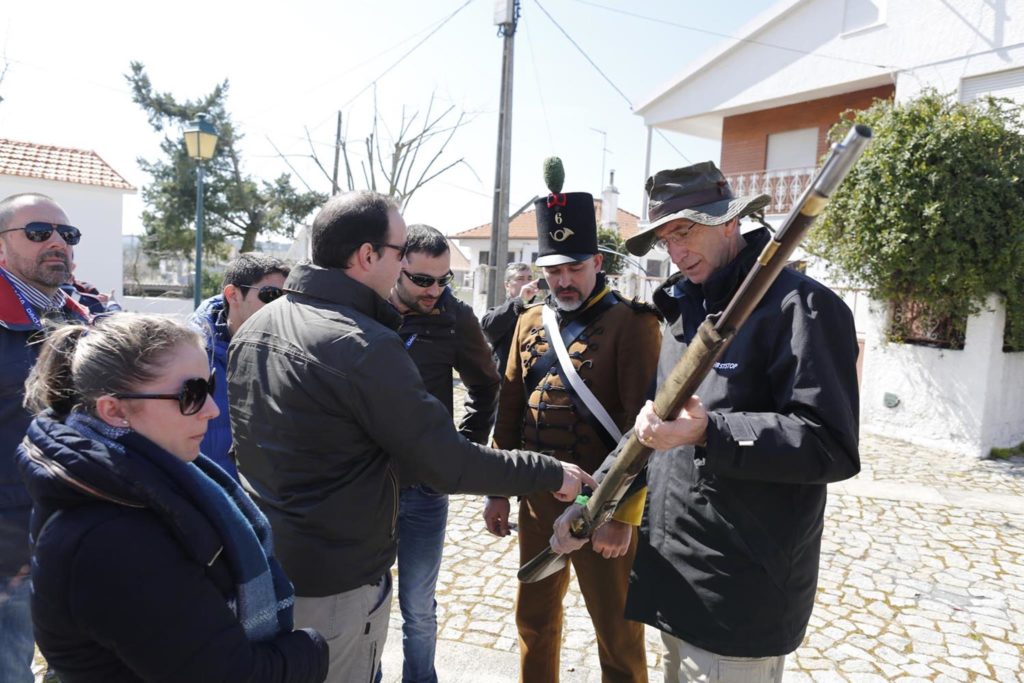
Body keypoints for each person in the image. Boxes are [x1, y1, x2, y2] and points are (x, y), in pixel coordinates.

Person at [227, 190, 596, 683]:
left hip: (267, 565)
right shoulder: (362, 343)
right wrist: (549, 471)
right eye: (401, 253)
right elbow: (445, 463)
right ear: (367, 256)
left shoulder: (258, 324)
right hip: (337, 580)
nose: (408, 269)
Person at [551, 162, 861, 683]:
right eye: (665, 237)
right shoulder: (685, 312)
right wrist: (588, 503)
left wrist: (710, 431)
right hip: (673, 581)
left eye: (686, 231)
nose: (676, 250)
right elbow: (648, 430)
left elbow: (830, 444)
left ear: (729, 221)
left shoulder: (801, 307)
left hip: (741, 593)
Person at [16, 313, 329, 682]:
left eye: (210, 387)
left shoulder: (154, 487)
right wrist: (312, 649)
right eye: (191, 395)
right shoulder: (111, 538)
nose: (212, 410)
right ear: (114, 411)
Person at [485, 181, 661, 683]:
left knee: (618, 634)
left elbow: (642, 429)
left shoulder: (633, 324)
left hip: (603, 503)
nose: (564, 281)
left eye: (574, 268)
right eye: (554, 270)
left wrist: (622, 515)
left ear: (597, 264)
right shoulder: (528, 321)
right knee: (534, 623)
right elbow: (511, 412)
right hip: (538, 500)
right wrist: (499, 490)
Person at [387, 223, 501, 683]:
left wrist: (462, 450)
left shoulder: (455, 316)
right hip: (363, 484)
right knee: (365, 598)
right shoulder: (366, 308)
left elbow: (487, 384)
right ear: (396, 267)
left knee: (418, 604)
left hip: (423, 487)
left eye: (443, 280)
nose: (435, 290)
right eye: (423, 280)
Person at [0, 192, 90, 683]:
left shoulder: (84, 318)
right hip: (9, 549)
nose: (57, 242)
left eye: (67, 234)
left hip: (79, 533)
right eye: (38, 232)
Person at [189, 253, 290, 479]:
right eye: (271, 295)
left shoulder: (292, 357)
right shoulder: (188, 358)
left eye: (287, 298)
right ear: (233, 294)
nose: (281, 307)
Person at [481, 262, 538, 374]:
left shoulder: (539, 312)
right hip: (506, 381)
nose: (527, 283)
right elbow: (487, 327)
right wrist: (519, 301)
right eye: (520, 278)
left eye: (529, 278)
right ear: (507, 285)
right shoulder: (498, 312)